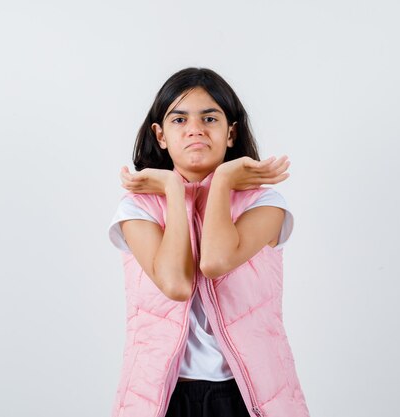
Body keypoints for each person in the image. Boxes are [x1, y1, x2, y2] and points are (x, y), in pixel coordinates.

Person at [107, 68, 310, 417]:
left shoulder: (265, 203)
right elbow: (175, 283)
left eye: (210, 117)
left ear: (231, 133)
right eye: (180, 119)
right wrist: (173, 189)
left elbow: (215, 261)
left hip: (246, 397)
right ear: (160, 135)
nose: (195, 129)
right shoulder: (136, 208)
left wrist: (224, 180)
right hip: (163, 398)